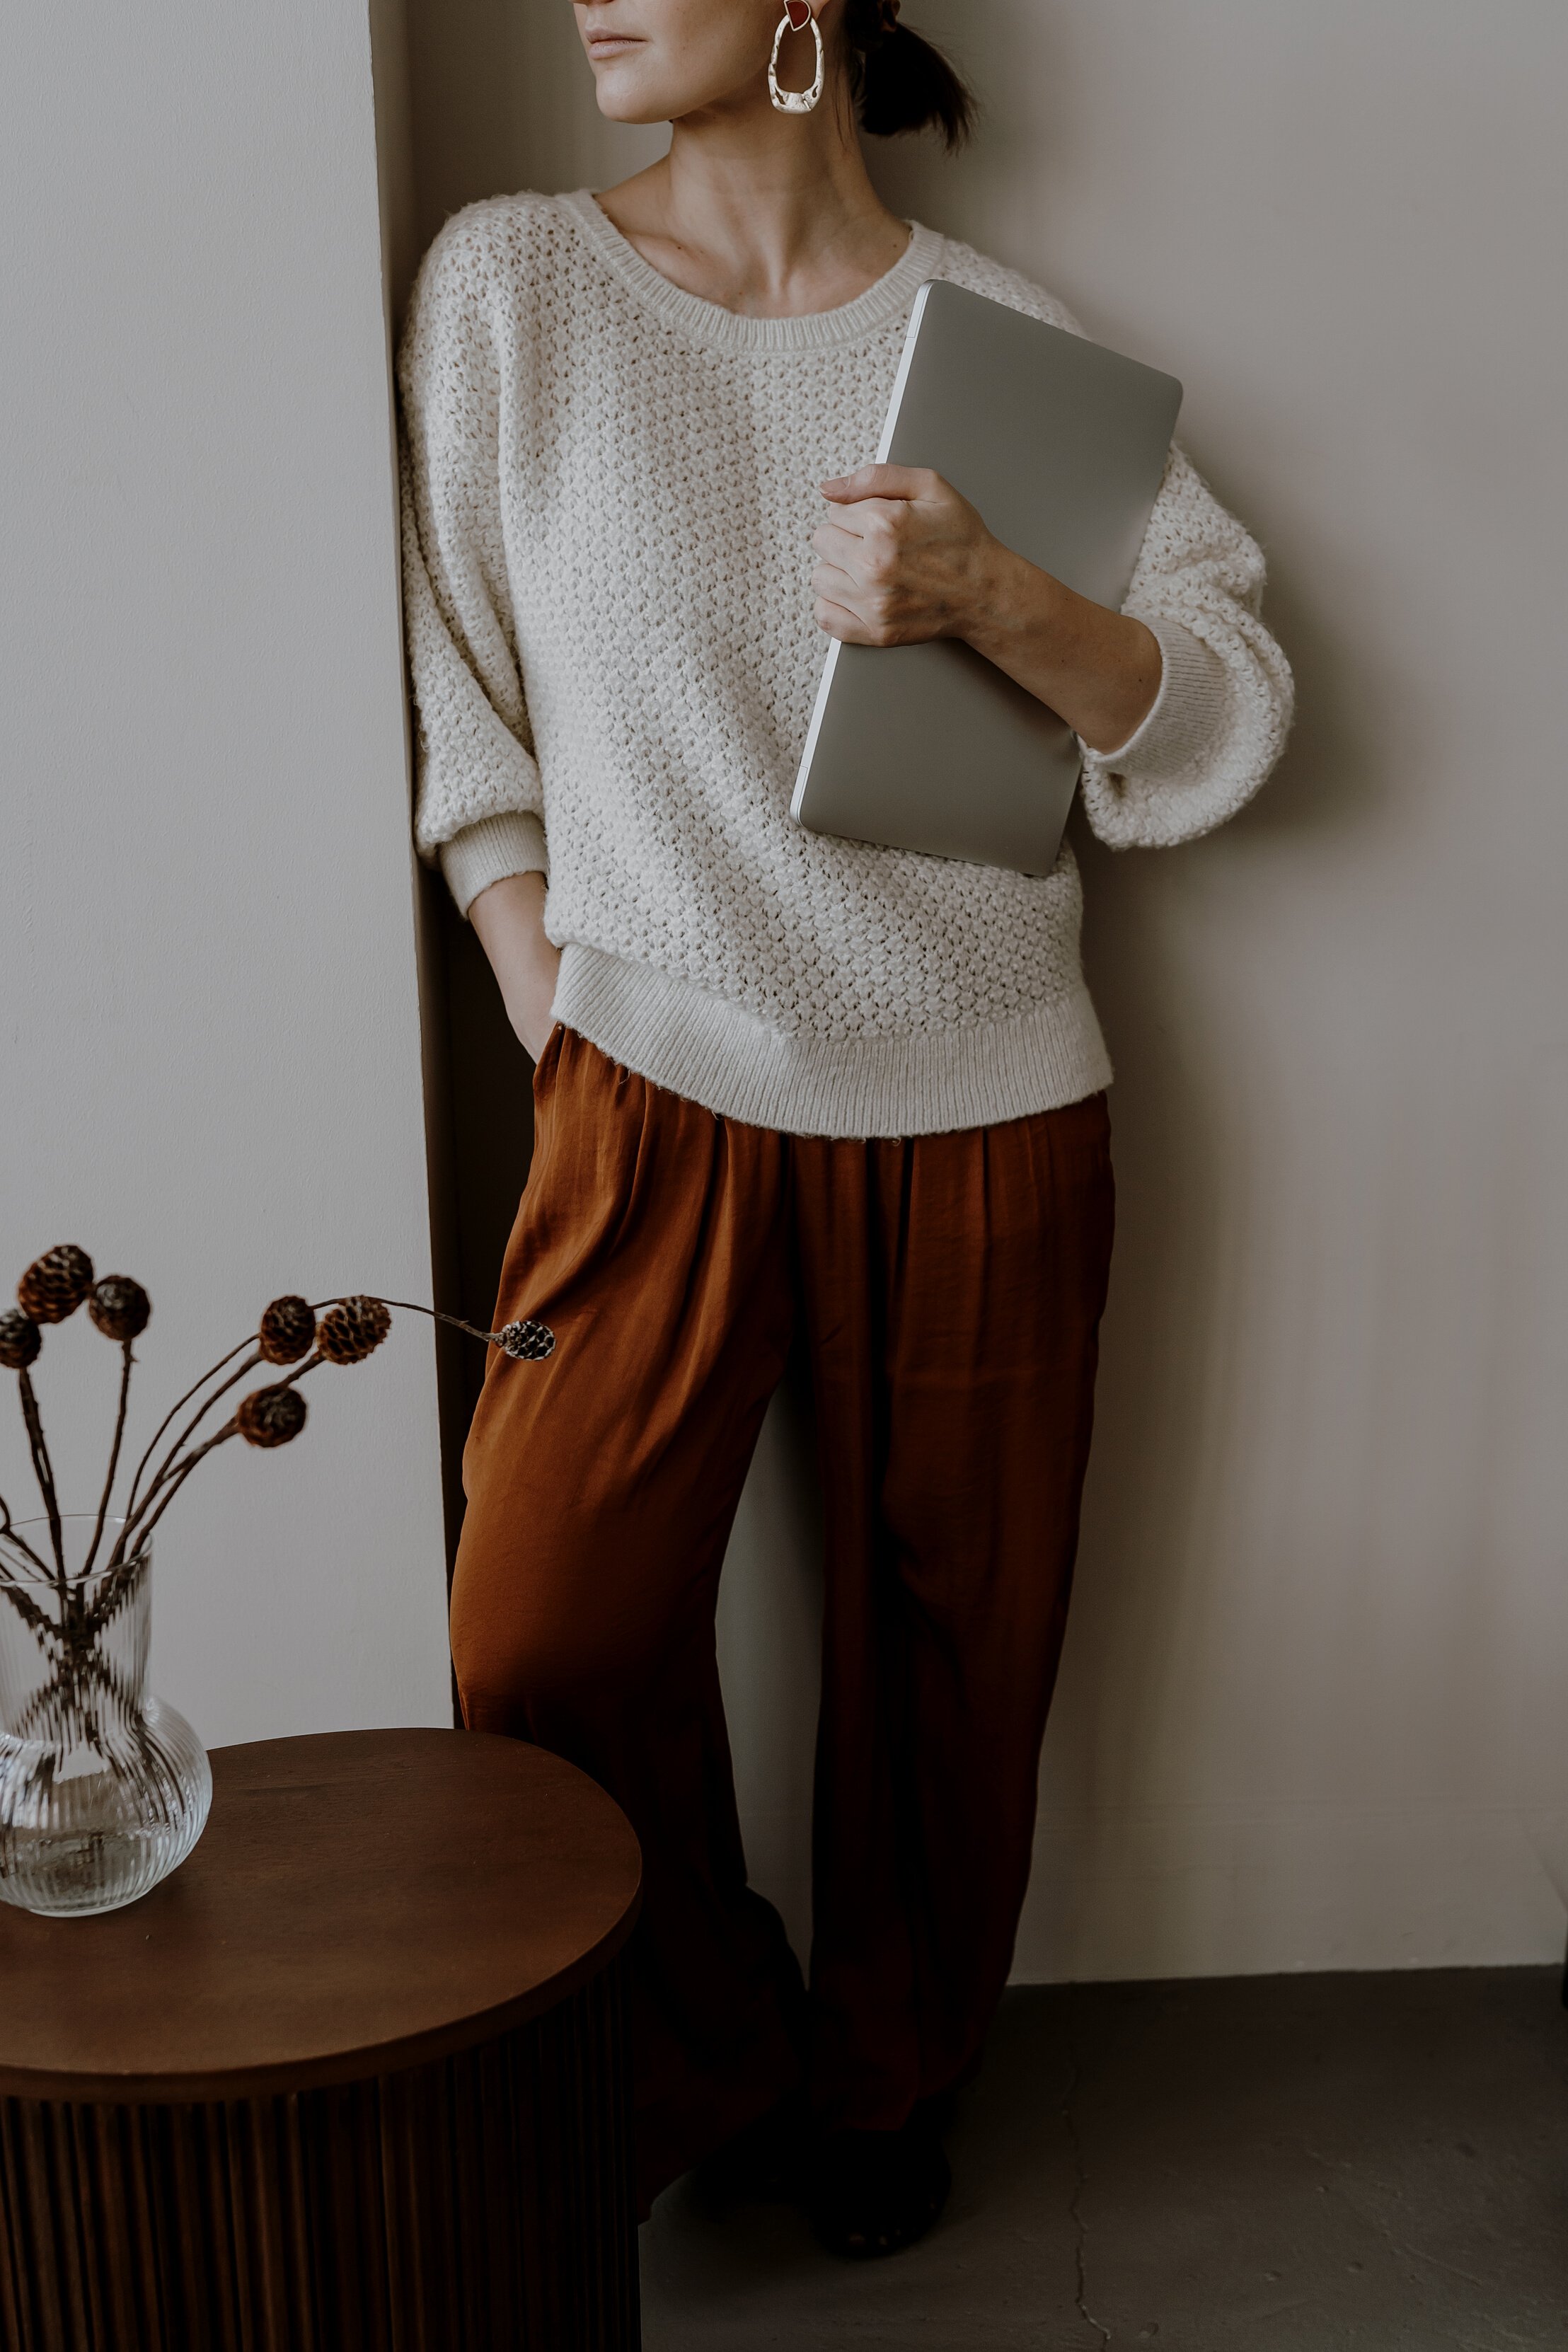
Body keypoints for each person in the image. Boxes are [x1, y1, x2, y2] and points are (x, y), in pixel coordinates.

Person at [398, 0, 1291, 2259]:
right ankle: (717, 2043)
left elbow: (1227, 705)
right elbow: (464, 708)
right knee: (541, 1636)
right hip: (647, 1083)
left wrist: (1001, 594)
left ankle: (887, 2087)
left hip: (991, 1087)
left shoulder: (1006, 342)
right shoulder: (512, 283)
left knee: (955, 1649)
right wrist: (546, 993)